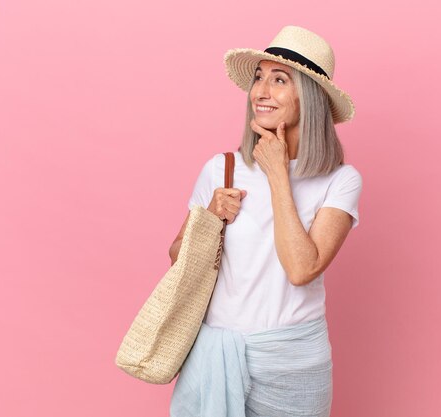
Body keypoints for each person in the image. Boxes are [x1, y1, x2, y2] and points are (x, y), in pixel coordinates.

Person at [168, 25, 363, 417]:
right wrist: (206, 219)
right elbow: (177, 257)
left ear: (308, 98)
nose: (261, 91)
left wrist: (278, 174)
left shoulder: (341, 181)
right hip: (216, 355)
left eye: (279, 80)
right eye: (259, 78)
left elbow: (301, 268)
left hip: (294, 362)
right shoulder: (221, 168)